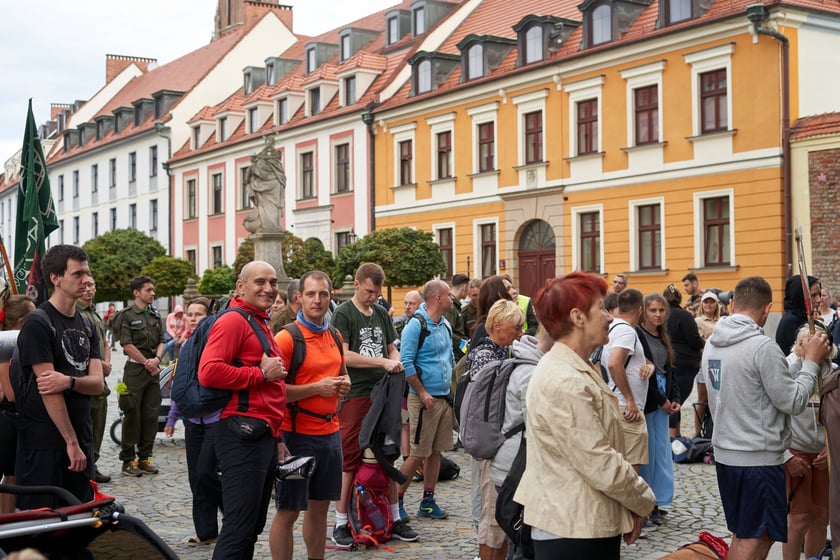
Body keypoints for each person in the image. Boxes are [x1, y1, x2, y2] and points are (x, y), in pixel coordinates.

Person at [515, 272, 655, 559]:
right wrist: (643, 501)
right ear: (578, 317)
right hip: (570, 529)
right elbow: (598, 459)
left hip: (582, 521)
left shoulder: (576, 367)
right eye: (602, 308)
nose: (609, 317)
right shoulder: (564, 378)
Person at [700, 275, 831, 560]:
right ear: (767, 308)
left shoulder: (712, 343)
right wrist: (810, 362)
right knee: (757, 538)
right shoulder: (763, 347)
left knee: (743, 534)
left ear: (732, 304)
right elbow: (793, 401)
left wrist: (800, 359)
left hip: (726, 453)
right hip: (756, 458)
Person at [198, 261, 288, 560]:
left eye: (273, 282)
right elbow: (208, 371)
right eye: (259, 282)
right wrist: (260, 375)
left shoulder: (258, 319)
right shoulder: (234, 320)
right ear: (240, 287)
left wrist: (277, 438)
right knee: (238, 527)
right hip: (241, 435)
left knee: (250, 526)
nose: (269, 288)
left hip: (260, 434)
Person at [329, 262, 417, 548]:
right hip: (356, 394)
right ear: (356, 284)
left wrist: (396, 357)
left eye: (377, 292)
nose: (374, 297)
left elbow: (391, 345)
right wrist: (383, 361)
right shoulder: (343, 314)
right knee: (351, 457)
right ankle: (341, 521)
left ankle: (392, 517)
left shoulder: (380, 311)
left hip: (383, 393)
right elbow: (343, 356)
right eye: (369, 291)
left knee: (386, 454)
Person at [269, 270, 352, 560]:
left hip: (330, 435)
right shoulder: (287, 338)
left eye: (323, 294)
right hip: (296, 436)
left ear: (331, 297)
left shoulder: (334, 334)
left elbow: (340, 373)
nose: (317, 300)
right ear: (299, 298)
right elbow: (272, 392)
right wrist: (318, 387)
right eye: (311, 294)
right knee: (288, 511)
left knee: (320, 508)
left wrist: (344, 383)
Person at [14, 245, 104, 509]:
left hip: (81, 437)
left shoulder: (86, 324)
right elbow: (48, 389)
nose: (86, 280)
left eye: (87, 273)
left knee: (78, 518)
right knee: (41, 523)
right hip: (45, 443)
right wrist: (70, 441)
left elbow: (97, 383)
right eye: (77, 274)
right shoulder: (38, 323)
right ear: (56, 278)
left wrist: (70, 382)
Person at [464, 299, 524, 560]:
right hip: (491, 445)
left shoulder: (505, 352)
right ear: (498, 326)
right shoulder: (485, 356)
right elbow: (487, 411)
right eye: (516, 327)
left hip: (499, 444)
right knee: (492, 514)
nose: (521, 332)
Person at [163, 296, 223, 547]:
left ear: (209, 316)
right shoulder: (185, 346)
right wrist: (172, 418)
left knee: (207, 473)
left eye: (199, 314)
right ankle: (207, 532)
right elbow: (181, 385)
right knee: (195, 478)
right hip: (192, 421)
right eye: (190, 314)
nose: (193, 318)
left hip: (215, 418)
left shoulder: (217, 343)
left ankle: (235, 514)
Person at [489, 328, 553, 560]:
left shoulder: (526, 362)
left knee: (519, 542)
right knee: (522, 544)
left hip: (513, 462)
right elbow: (540, 427)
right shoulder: (530, 372)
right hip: (515, 467)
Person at [398, 279, 456, 520]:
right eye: (449, 295)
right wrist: (422, 392)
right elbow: (407, 362)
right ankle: (396, 500)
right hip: (424, 400)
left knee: (435, 452)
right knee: (418, 452)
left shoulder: (445, 325)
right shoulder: (415, 325)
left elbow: (450, 357)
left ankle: (428, 501)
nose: (453, 298)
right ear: (438, 298)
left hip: (442, 398)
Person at [782, 322, 836, 560]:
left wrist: (832, 448)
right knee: (798, 517)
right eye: (808, 340)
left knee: (821, 517)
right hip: (797, 450)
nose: (815, 345)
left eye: (820, 341)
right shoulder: (788, 368)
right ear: (798, 345)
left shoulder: (834, 372)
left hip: (825, 453)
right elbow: (775, 415)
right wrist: (787, 455)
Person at [637, 293, 679, 526]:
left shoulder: (663, 337)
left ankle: (657, 500)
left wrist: (675, 398)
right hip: (650, 398)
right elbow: (644, 375)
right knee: (647, 455)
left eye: (661, 311)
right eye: (653, 310)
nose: (658, 315)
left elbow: (669, 369)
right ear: (644, 311)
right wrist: (661, 398)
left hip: (663, 399)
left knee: (661, 454)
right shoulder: (638, 336)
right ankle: (644, 504)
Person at [118, 275, 165, 476]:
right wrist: (147, 362)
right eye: (148, 290)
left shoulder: (154, 315)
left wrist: (156, 358)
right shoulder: (126, 316)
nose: (152, 293)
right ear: (136, 292)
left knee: (151, 415)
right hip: (136, 370)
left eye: (153, 290)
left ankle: (145, 457)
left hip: (152, 370)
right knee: (132, 414)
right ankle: (128, 460)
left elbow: (162, 340)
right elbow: (127, 345)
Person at [602, 288, 653, 469]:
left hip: (616, 403)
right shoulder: (626, 331)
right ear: (640, 309)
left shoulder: (612, 327)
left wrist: (649, 365)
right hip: (626, 408)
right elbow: (614, 363)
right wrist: (631, 399)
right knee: (630, 469)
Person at [0, 294, 36, 513]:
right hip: (7, 415)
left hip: (8, 414)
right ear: (22, 321)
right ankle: (6, 522)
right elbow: (10, 392)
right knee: (11, 475)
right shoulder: (9, 341)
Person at [75, 279, 113, 484]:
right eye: (86, 285)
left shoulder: (94, 312)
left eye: (92, 285)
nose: (89, 289)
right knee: (86, 425)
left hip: (101, 377)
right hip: (87, 377)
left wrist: (106, 362)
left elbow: (104, 342)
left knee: (99, 424)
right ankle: (86, 468)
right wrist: (99, 365)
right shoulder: (76, 313)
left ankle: (93, 463)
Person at [663, 284, 704, 439]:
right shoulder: (684, 316)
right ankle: (673, 437)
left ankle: (674, 435)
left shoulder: (660, 316)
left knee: (672, 398)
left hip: (668, 361)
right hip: (685, 363)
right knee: (676, 400)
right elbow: (694, 341)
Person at [694, 291, 721, 437]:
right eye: (706, 302)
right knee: (702, 399)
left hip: (719, 364)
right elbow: (698, 342)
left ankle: (716, 431)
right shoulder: (698, 321)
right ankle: (697, 431)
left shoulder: (723, 321)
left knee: (718, 399)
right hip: (704, 363)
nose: (709, 304)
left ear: (716, 304)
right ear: (702, 305)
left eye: (711, 302)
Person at [776, 275, 821, 355]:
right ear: (799, 297)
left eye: (819, 294)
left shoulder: (806, 317)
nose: (819, 300)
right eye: (813, 296)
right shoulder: (790, 322)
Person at [445, 274, 469, 360]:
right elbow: (447, 331)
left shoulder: (455, 305)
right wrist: (464, 345)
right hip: (455, 355)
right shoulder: (451, 306)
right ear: (464, 288)